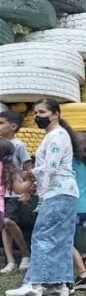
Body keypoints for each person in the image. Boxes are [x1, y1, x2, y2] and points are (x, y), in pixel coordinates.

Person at [5, 99, 78, 296]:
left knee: (42, 236)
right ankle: (59, 284)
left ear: (55, 114)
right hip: (65, 192)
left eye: (42, 112)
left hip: (57, 192)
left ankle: (34, 284)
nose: (38, 116)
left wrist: (28, 175)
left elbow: (51, 167)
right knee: (61, 238)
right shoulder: (57, 135)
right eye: (36, 112)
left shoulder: (56, 136)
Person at [0, 110, 33, 274]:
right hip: (2, 191)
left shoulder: (19, 145)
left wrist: (28, 190)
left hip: (14, 192)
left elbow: (28, 169)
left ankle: (26, 254)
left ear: (13, 126)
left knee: (8, 221)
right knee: (4, 226)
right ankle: (10, 260)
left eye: (1, 123)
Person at [70, 133, 86, 291]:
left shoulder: (71, 161)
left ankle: (83, 274)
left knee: (65, 241)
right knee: (69, 241)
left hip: (72, 205)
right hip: (84, 206)